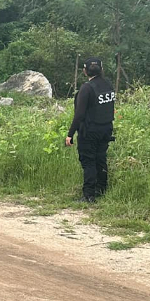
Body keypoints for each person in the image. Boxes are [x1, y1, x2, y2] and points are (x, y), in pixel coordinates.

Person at [65, 57, 116, 201]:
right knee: (101, 159)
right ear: (102, 69)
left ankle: (88, 195)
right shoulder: (108, 85)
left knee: (88, 161)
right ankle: (101, 189)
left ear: (84, 71)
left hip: (90, 130)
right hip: (106, 128)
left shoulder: (87, 88)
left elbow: (79, 114)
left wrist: (70, 134)